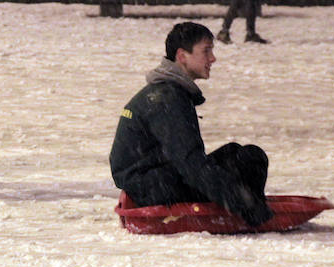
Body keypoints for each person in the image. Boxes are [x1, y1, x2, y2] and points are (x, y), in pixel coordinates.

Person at [109, 22, 273, 227]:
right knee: (250, 159)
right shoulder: (169, 98)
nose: (212, 58)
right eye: (206, 51)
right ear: (182, 56)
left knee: (235, 154)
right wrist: (242, 201)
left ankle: (246, 205)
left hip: (151, 181)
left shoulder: (165, 92)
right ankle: (250, 214)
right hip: (154, 188)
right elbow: (190, 164)